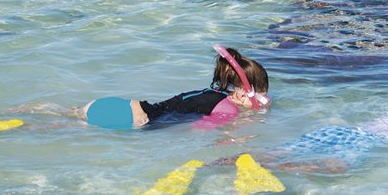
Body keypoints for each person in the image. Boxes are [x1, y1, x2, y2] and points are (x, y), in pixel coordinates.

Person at [227, 58, 388, 178]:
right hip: (365, 142)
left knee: (280, 149)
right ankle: (271, 169)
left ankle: (222, 163)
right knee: (337, 168)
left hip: (343, 130)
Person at [79, 44, 270, 130]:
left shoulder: (214, 93)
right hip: (135, 118)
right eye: (262, 98)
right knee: (63, 127)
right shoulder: (228, 109)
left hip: (124, 106)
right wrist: (239, 126)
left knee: (64, 117)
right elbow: (200, 128)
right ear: (246, 93)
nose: (263, 103)